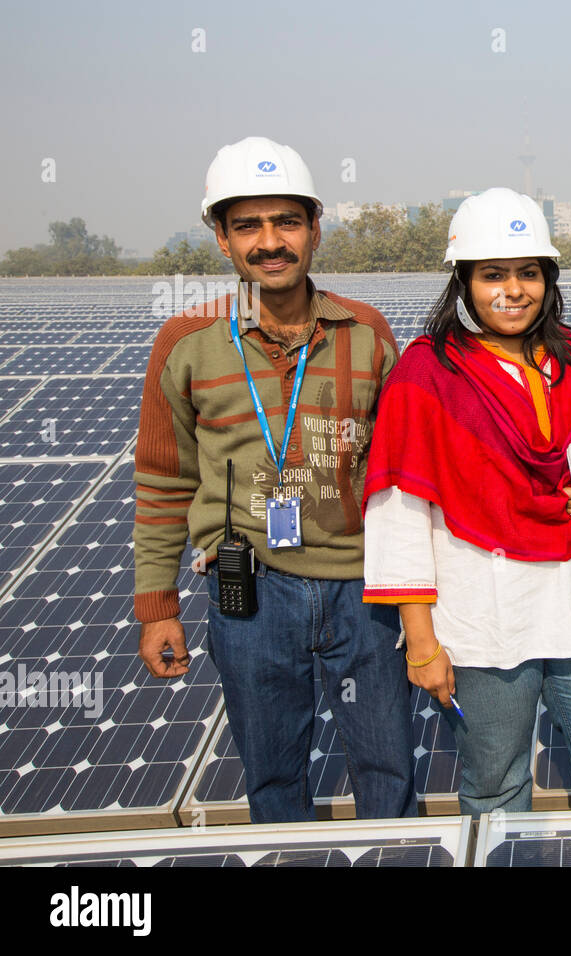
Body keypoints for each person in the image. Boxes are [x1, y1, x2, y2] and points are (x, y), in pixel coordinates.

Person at [133, 136, 415, 823]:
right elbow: (164, 480)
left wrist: (421, 597)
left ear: (315, 229)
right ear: (223, 241)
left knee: (389, 772)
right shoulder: (186, 340)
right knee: (273, 780)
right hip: (249, 591)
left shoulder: (366, 331)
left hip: (364, 591)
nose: (270, 242)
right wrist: (157, 606)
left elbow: (402, 474)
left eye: (286, 222)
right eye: (247, 226)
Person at [361, 187, 571, 815]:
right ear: (464, 283)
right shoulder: (427, 377)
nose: (513, 289)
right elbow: (401, 518)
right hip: (485, 624)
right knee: (496, 788)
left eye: (528, 273)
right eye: (493, 274)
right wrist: (421, 643)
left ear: (547, 279)